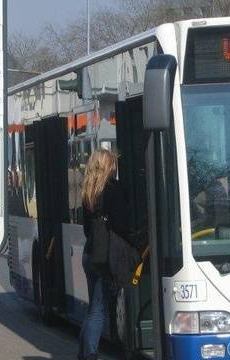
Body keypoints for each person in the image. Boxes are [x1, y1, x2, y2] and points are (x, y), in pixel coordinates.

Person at [78, 148, 132, 360]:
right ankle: (90, 354)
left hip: (89, 253)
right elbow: (121, 224)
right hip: (104, 256)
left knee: (93, 307)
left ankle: (82, 353)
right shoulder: (112, 190)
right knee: (99, 310)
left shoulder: (88, 192)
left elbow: (85, 229)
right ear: (108, 166)